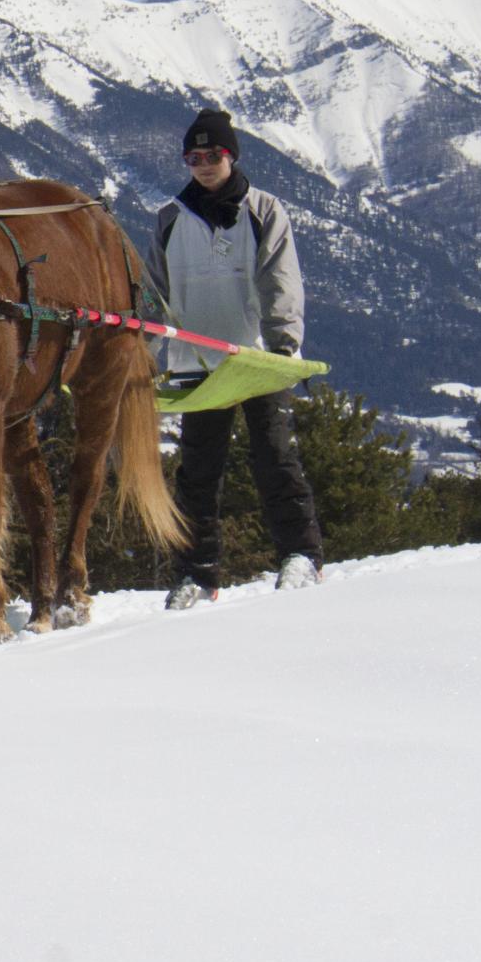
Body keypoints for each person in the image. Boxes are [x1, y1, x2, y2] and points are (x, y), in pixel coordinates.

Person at [146, 107, 325, 609]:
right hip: (196, 363)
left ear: (232, 155)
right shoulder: (169, 218)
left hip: (256, 359)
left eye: (214, 154)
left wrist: (284, 345)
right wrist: (142, 355)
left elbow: (280, 280)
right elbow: (154, 295)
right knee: (198, 471)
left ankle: (300, 555)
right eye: (194, 156)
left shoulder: (264, 210)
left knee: (275, 457)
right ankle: (196, 573)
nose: (204, 164)